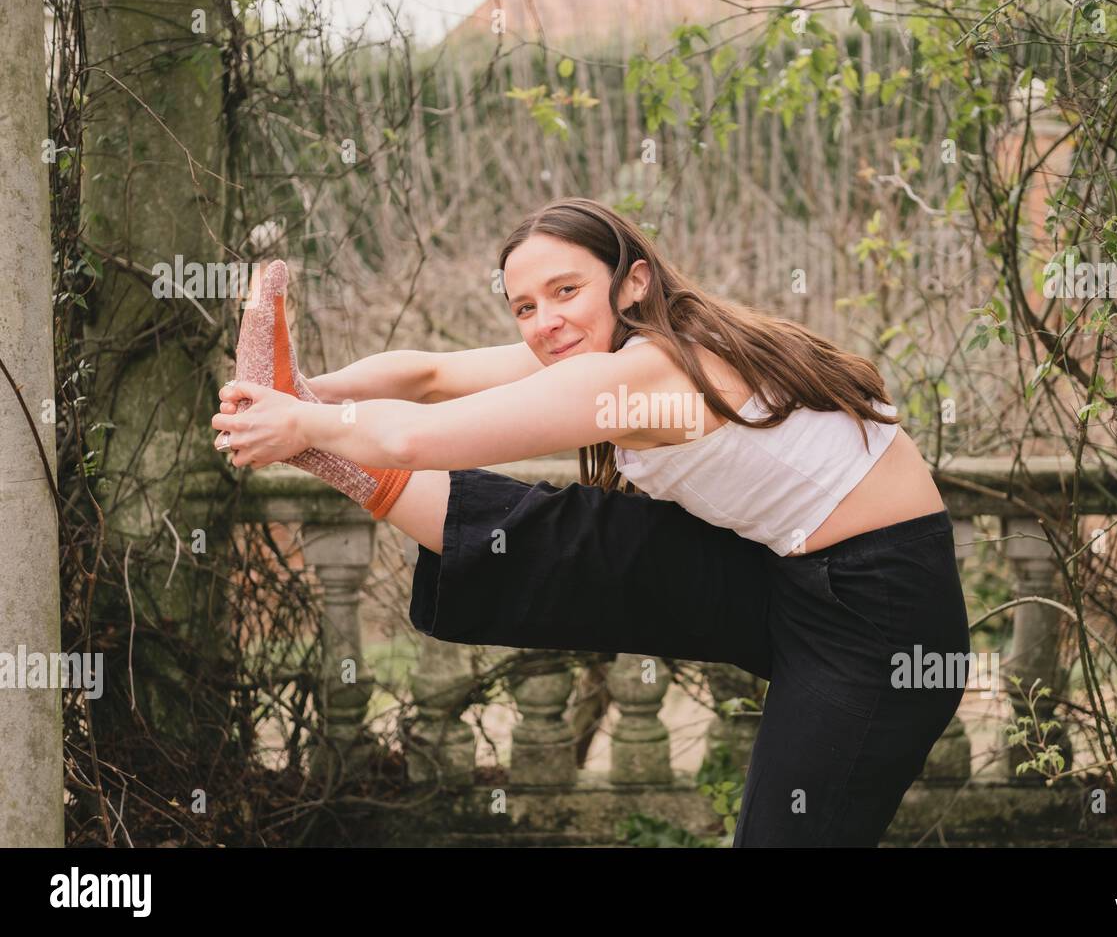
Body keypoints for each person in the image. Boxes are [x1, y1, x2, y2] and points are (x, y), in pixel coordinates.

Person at [211, 196, 971, 847]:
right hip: (790, 574)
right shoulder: (614, 345)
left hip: (882, 620)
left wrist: (305, 423)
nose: (545, 322)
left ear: (632, 281)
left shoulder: (645, 376)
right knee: (580, 541)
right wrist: (298, 396)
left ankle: (328, 453)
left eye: (566, 290)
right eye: (525, 306)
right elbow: (428, 375)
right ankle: (336, 463)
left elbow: (415, 435)